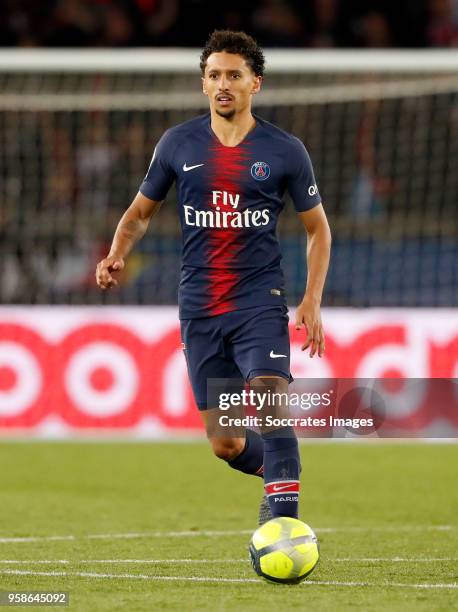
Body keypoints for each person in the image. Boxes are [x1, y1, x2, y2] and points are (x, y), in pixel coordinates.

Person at [96, 29, 331, 525]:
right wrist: (117, 251)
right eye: (215, 75)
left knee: (269, 397)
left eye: (234, 75)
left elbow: (318, 230)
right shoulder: (178, 144)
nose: (224, 83)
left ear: (255, 84)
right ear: (204, 85)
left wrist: (311, 298)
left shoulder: (285, 150)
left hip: (258, 303)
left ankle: (283, 525)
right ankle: (280, 472)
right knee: (227, 443)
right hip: (200, 308)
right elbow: (141, 213)